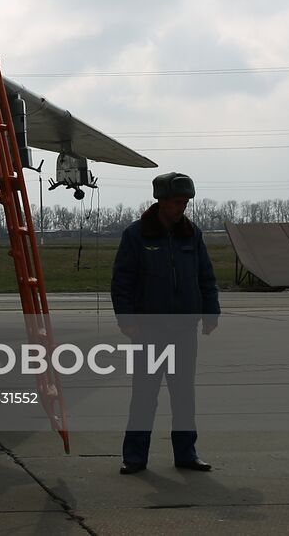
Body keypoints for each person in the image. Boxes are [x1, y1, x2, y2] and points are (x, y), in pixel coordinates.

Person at [110, 171, 220, 475]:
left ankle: (186, 453)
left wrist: (211, 314)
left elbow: (205, 276)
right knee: (144, 395)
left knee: (184, 396)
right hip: (149, 331)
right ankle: (134, 457)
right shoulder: (136, 235)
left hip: (184, 330)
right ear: (160, 201)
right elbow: (122, 282)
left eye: (184, 202)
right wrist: (127, 321)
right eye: (175, 202)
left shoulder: (192, 234)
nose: (180, 207)